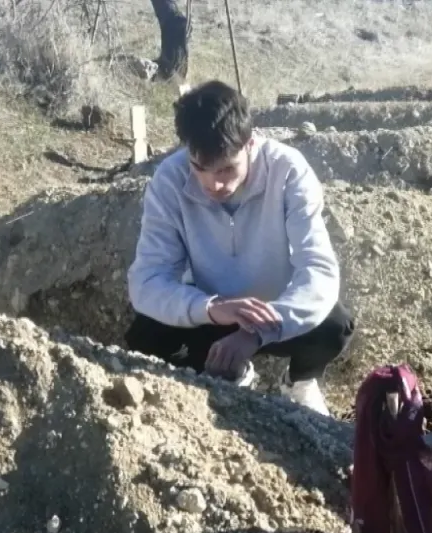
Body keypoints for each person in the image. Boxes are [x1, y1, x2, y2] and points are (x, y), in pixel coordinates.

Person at [125, 80, 354, 416]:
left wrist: (258, 332)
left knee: (335, 326)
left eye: (226, 169)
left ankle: (300, 382)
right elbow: (146, 280)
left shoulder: (288, 171)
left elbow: (319, 272)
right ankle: (221, 376)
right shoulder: (169, 180)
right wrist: (210, 308)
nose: (214, 184)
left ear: (250, 143)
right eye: (199, 168)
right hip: (211, 312)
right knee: (144, 335)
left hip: (274, 312)